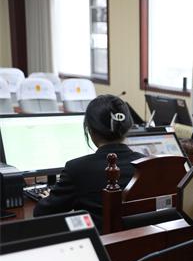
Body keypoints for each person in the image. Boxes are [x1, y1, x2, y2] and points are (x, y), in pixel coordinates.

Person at [34, 95, 144, 231]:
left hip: (99, 243)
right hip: (143, 241)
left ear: (90, 129)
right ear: (127, 127)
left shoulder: (77, 169)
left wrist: (47, 199)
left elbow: (42, 213)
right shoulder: (147, 165)